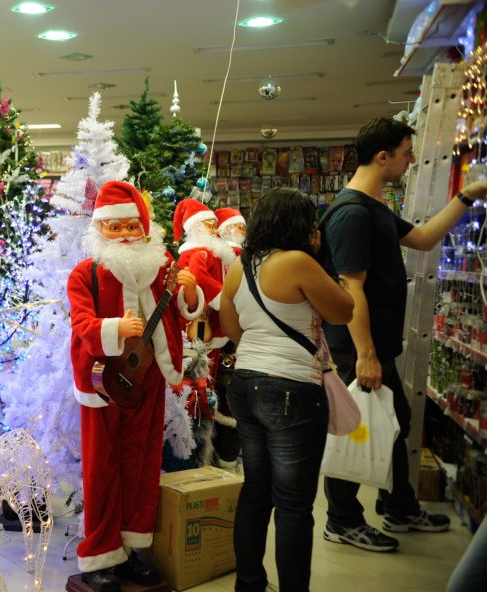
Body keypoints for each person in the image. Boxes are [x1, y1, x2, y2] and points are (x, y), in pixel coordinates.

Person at [321, 116, 487, 552]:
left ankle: (398, 506)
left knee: (395, 423)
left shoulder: (374, 209)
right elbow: (349, 287)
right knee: (353, 428)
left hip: (376, 346)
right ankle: (341, 519)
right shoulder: (353, 213)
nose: (411, 162)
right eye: (407, 153)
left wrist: (468, 195)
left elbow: (427, 238)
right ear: (383, 156)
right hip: (358, 349)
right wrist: (366, 354)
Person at [67, 181, 202, 592]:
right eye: (114, 227)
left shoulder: (161, 268)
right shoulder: (84, 273)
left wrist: (191, 291)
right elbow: (80, 325)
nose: (125, 234)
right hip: (103, 383)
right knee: (102, 467)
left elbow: (180, 315)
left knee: (141, 465)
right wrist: (115, 329)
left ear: (145, 227)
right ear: (99, 230)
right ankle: (100, 555)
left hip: (150, 379)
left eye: (131, 225)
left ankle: (128, 551)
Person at [220, 188, 354, 592]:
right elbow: (343, 311)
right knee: (294, 504)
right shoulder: (298, 262)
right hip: (292, 389)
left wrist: (259, 355)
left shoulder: (240, 266)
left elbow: (230, 323)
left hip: (246, 383)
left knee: (256, 491)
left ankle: (249, 583)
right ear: (301, 226)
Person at [175, 198, 239, 466]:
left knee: (208, 384)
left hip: (213, 326)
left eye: (216, 225)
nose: (215, 230)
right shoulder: (197, 254)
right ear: (194, 227)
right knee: (201, 384)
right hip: (201, 328)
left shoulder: (213, 253)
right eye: (209, 225)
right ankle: (197, 448)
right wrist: (224, 298)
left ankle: (208, 448)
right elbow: (200, 281)